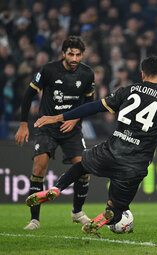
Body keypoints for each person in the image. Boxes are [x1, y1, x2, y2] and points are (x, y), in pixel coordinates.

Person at [25, 55, 157, 233]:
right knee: (118, 209)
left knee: (81, 165)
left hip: (111, 150)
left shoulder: (128, 90)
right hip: (135, 164)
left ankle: (57, 188)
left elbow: (94, 107)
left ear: (142, 74)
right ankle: (104, 218)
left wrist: (59, 116)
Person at [15, 36, 95, 230]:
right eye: (71, 54)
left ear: (82, 55)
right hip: (47, 127)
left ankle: (77, 212)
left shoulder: (87, 74)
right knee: (39, 168)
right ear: (63, 54)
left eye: (78, 54)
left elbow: (90, 104)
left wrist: (75, 119)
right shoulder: (49, 70)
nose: (75, 58)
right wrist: (24, 124)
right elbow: (28, 95)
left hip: (72, 129)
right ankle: (34, 220)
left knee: (84, 169)